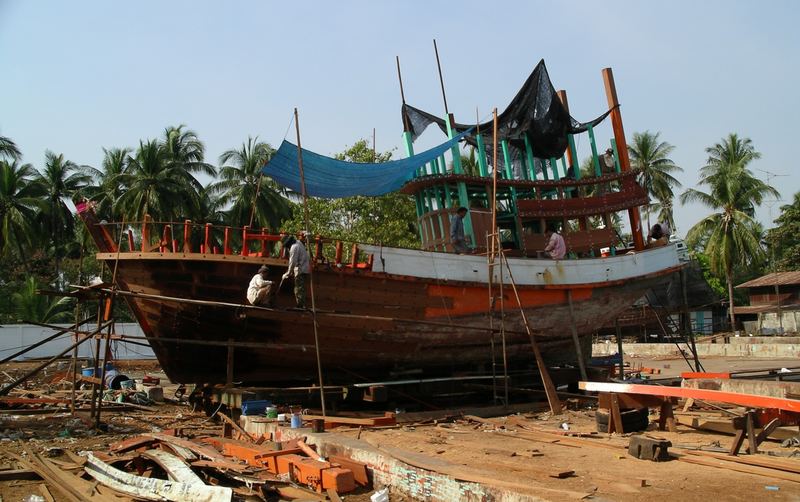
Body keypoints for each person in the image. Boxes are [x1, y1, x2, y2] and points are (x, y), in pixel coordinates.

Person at [281, 235, 311, 308]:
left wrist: (288, 273)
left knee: (298, 288)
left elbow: (293, 262)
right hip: (305, 268)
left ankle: (300, 306)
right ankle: (301, 304)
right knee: (301, 288)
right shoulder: (298, 242)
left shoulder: (294, 247)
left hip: (300, 269)